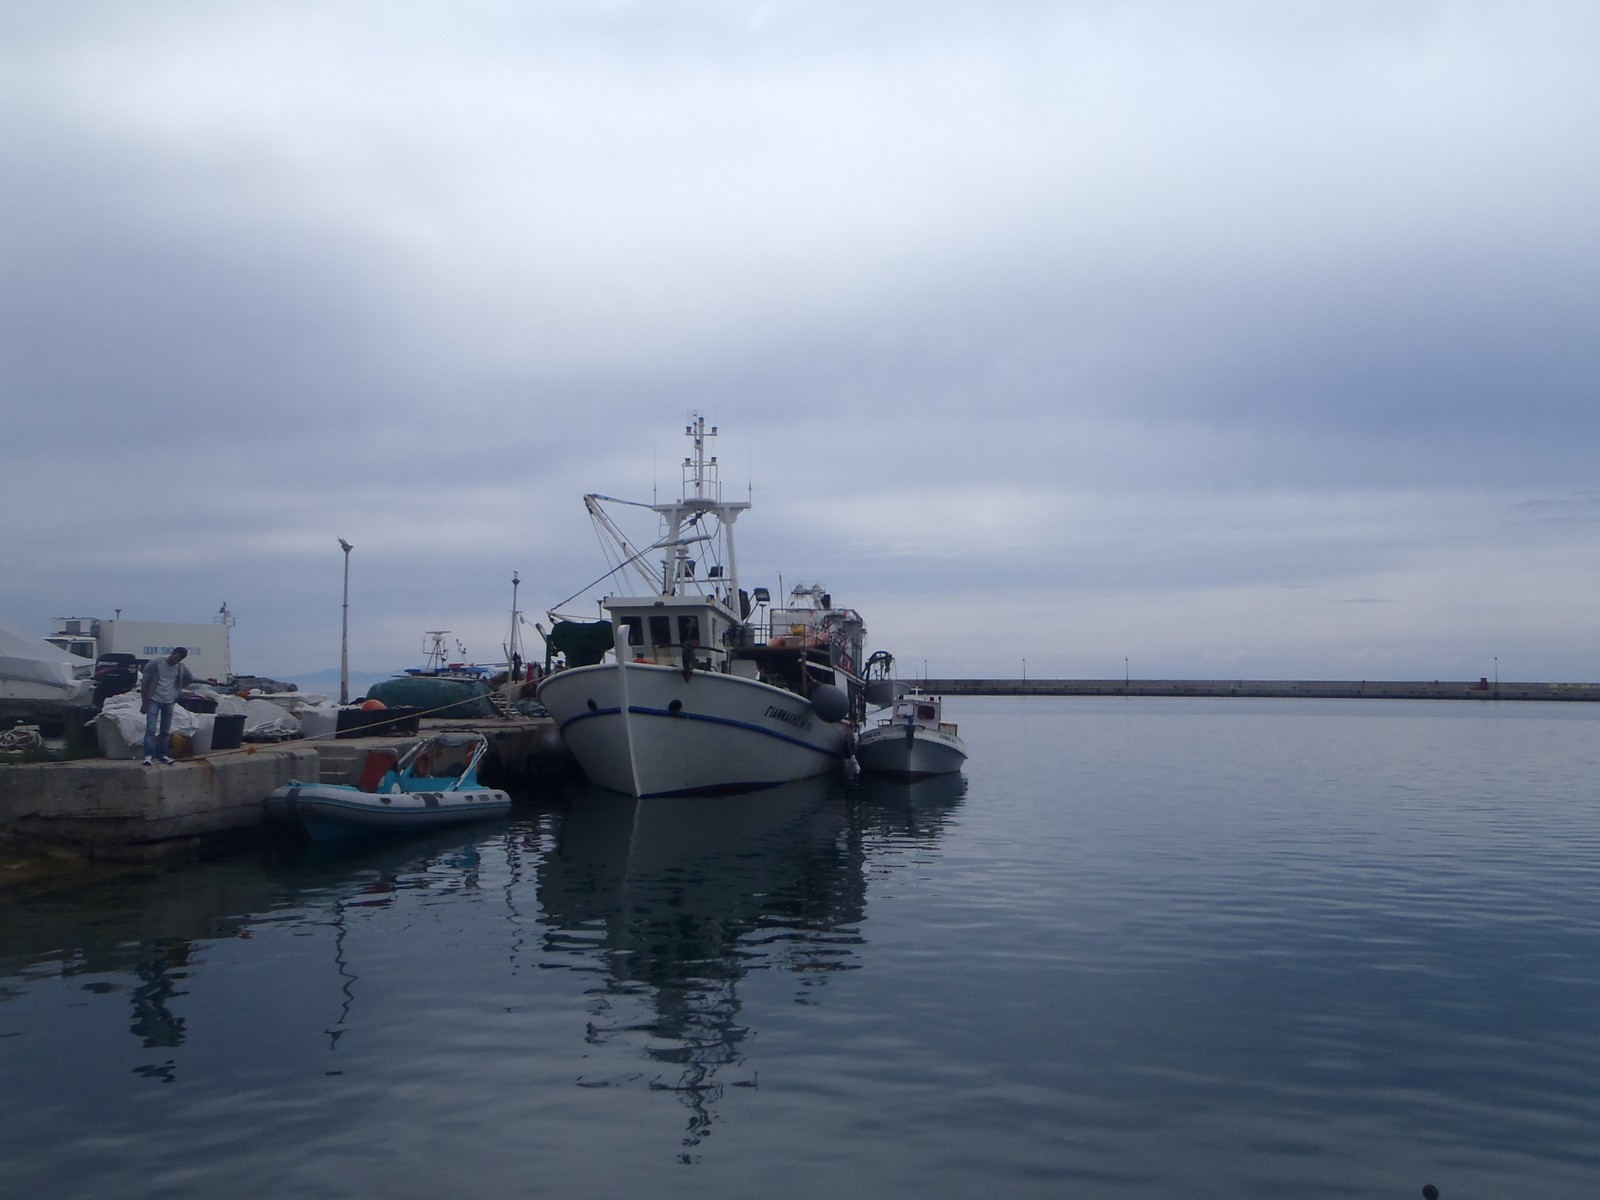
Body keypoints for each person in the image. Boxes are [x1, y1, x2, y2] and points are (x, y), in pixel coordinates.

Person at [140, 647, 194, 765]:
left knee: (165, 730)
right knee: (151, 729)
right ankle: (149, 755)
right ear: (173, 653)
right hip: (154, 699)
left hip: (169, 701)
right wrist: (144, 702)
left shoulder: (180, 668)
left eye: (179, 660)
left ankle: (162, 754)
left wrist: (178, 690)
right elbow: (145, 682)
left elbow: (190, 678)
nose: (176, 661)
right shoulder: (156, 664)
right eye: (176, 657)